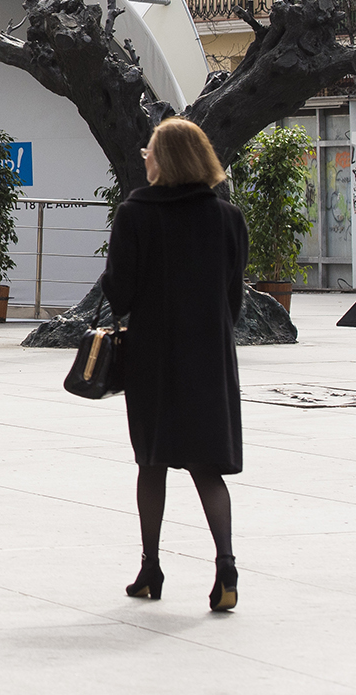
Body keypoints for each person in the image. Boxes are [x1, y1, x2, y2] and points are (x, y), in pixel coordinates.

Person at [105, 117, 247, 613]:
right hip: (209, 356)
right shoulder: (228, 218)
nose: (144, 154)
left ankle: (151, 569)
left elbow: (119, 295)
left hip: (153, 356)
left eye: (150, 150)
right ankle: (225, 565)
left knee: (153, 461)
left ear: (164, 160)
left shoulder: (134, 215)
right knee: (208, 467)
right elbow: (234, 302)